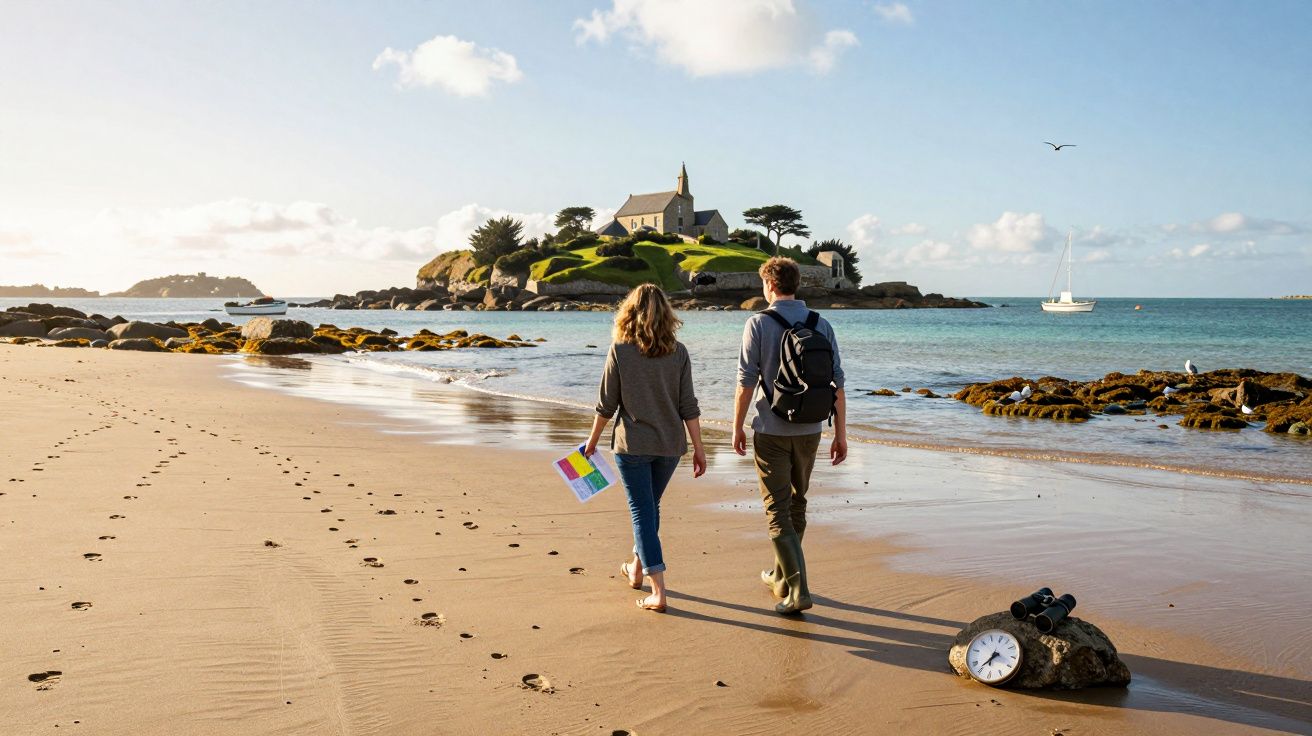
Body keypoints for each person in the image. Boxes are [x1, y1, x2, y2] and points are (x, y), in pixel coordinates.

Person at [733, 257, 847, 615]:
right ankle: (781, 578)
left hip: (771, 429)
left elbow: (746, 382)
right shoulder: (821, 323)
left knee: (776, 509)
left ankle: (799, 590)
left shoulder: (758, 323)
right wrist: (840, 434)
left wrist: (735, 425)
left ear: (768, 285)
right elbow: (838, 384)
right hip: (812, 428)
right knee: (798, 501)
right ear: (797, 284)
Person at [585, 283, 706, 613]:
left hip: (633, 445)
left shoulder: (621, 350)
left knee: (642, 512)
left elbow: (606, 404)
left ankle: (658, 591)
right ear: (667, 315)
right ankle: (636, 570)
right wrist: (698, 447)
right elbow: (688, 405)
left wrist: (592, 442)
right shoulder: (678, 352)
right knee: (650, 509)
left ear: (630, 313)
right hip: (669, 446)